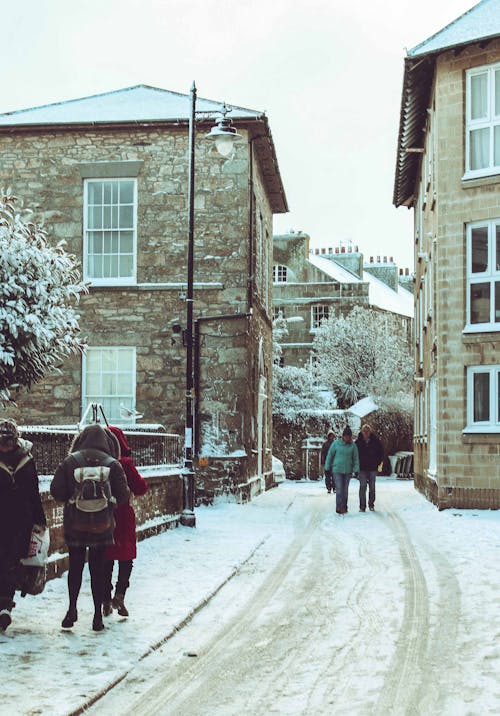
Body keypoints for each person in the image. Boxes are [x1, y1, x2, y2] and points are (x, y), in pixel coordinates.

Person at [50, 424, 129, 632]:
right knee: (97, 570)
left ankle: (72, 610)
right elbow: (123, 496)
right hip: (102, 526)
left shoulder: (70, 461)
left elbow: (55, 490)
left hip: (75, 524)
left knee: (75, 568)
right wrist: (107, 502)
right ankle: (96, 617)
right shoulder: (112, 464)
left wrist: (71, 499)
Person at [0, 419, 46, 632]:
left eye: (7, 441)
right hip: (19, 519)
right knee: (9, 561)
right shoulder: (26, 460)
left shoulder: (26, 460)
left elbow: (33, 492)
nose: (4, 445)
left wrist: (40, 521)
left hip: (19, 521)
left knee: (11, 561)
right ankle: (5, 605)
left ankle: (5, 605)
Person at [102, 425, 148, 619]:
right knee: (125, 556)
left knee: (106, 557)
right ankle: (120, 594)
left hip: (102, 515)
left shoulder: (98, 462)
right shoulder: (125, 464)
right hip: (123, 515)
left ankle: (105, 596)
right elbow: (141, 488)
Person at [324, 426, 359, 515]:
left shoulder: (353, 446)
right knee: (339, 489)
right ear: (343, 436)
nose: (348, 438)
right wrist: (327, 467)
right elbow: (330, 455)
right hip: (337, 470)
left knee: (345, 489)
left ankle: (344, 506)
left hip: (348, 470)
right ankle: (339, 507)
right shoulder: (336, 444)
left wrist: (356, 469)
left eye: (349, 436)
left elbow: (355, 458)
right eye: (346, 436)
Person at [355, 424, 384, 512]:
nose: (366, 433)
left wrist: (378, 462)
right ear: (362, 432)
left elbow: (381, 452)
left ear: (370, 432)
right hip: (362, 468)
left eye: (368, 431)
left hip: (372, 468)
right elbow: (354, 455)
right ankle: (362, 506)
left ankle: (371, 504)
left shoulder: (375, 441)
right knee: (362, 486)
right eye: (364, 431)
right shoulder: (358, 442)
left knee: (372, 487)